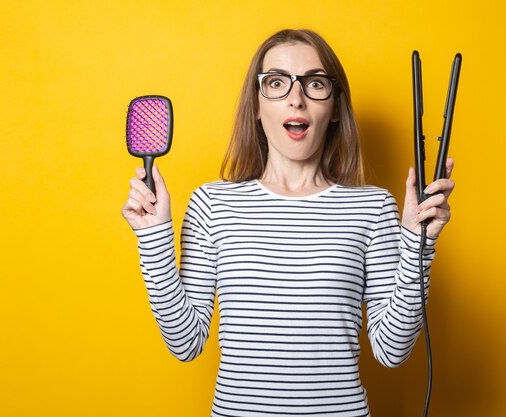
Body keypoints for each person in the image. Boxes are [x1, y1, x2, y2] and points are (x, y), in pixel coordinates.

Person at [122, 29, 454, 417]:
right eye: (276, 83)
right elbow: (185, 343)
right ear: (257, 106)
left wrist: (420, 243)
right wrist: (153, 239)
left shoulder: (373, 208)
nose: (296, 98)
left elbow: (391, 351)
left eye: (314, 83)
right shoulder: (212, 204)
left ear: (333, 108)